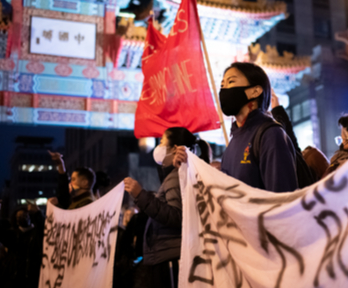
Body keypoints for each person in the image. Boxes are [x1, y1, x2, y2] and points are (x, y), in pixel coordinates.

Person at [123, 127, 211, 288]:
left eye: (162, 142)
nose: (159, 147)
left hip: (170, 256)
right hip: (167, 254)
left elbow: (176, 216)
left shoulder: (176, 177)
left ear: (175, 149)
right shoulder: (174, 176)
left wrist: (140, 195)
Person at [219, 62, 298, 192]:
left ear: (255, 91)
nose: (224, 90)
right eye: (222, 85)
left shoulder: (270, 135)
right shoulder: (233, 141)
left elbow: (281, 197)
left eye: (231, 82)